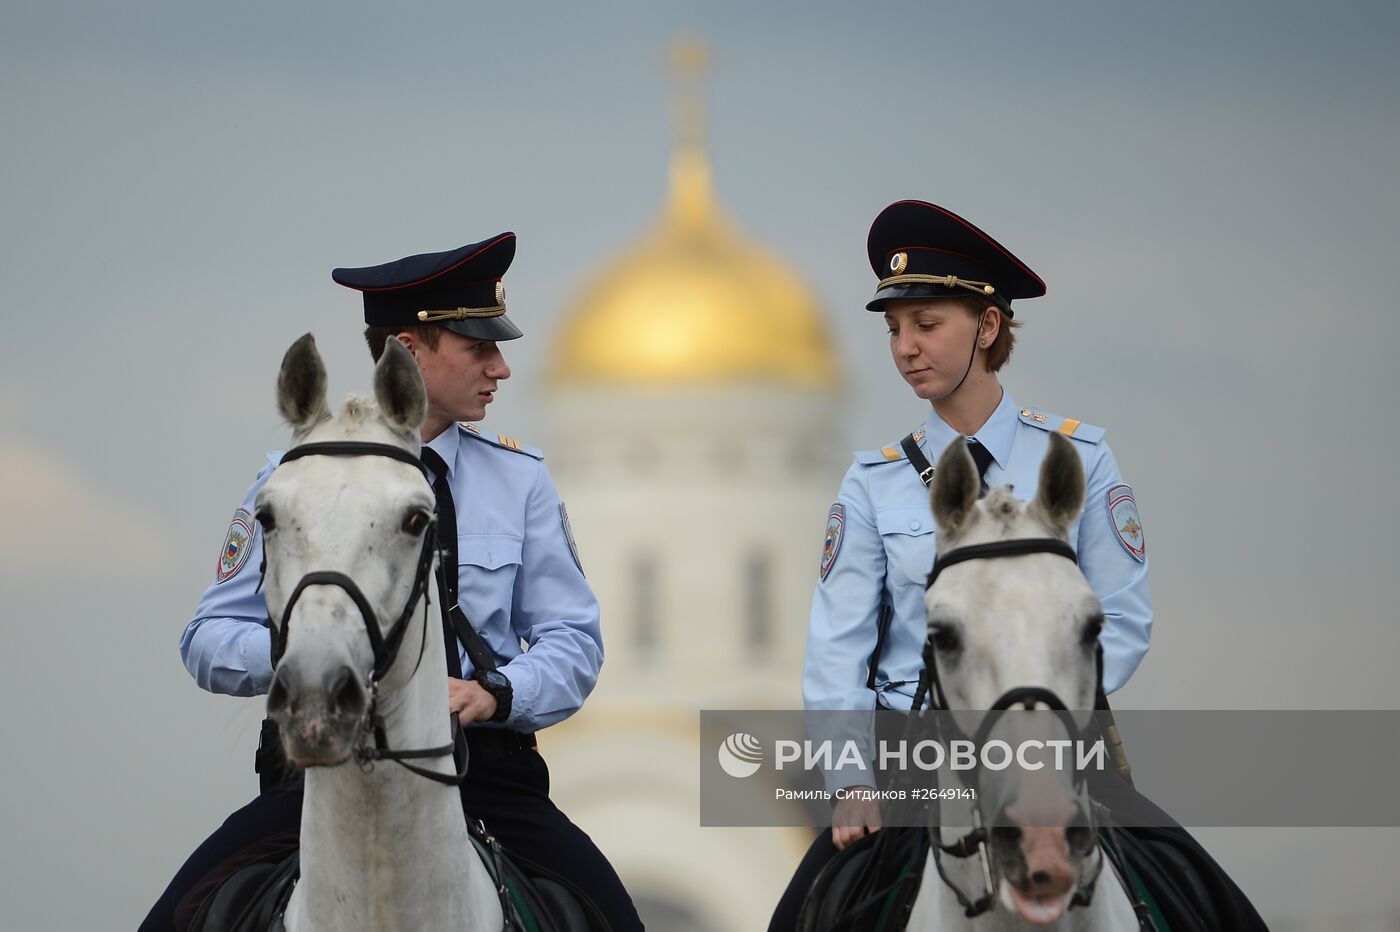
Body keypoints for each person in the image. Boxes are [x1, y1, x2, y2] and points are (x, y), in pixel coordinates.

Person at [142, 233, 644, 932]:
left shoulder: (519, 479)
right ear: (410, 354)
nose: (500, 368)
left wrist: (495, 693)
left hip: (486, 779)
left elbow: (574, 644)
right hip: (316, 780)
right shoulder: (291, 479)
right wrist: (311, 659)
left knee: (616, 919)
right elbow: (207, 639)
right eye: (479, 349)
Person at [767, 200, 1153, 930]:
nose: (906, 347)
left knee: (1205, 893)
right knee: (799, 916)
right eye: (894, 330)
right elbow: (838, 648)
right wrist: (851, 778)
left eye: (927, 324)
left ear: (987, 325)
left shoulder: (1082, 461)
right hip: (911, 768)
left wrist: (1039, 732)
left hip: (1065, 754)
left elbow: (1123, 621)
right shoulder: (873, 483)